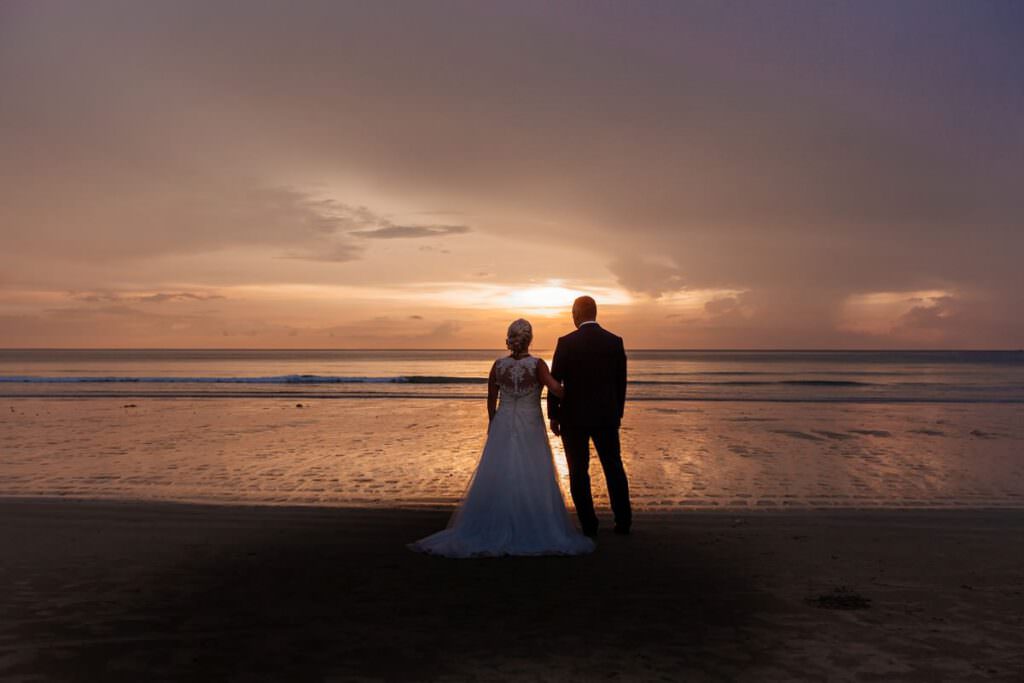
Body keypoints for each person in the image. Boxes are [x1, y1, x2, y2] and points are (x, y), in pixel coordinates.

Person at [408, 319, 595, 557]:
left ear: (510, 339)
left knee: (499, 471)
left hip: (503, 422)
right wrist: (579, 390)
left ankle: (493, 523)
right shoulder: (537, 365)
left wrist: (492, 422)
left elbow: (491, 398)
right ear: (530, 339)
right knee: (532, 472)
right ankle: (531, 524)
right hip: (529, 424)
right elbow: (556, 389)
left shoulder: (497, 366)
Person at [548, 296, 632, 537]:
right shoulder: (614, 342)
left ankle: (589, 524)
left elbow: (556, 381)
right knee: (613, 467)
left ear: (576, 314)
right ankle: (623, 521)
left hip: (573, 417)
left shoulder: (566, 342)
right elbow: (620, 382)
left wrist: (553, 414)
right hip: (606, 416)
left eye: (572, 313)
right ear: (594, 313)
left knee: (578, 470)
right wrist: (618, 412)